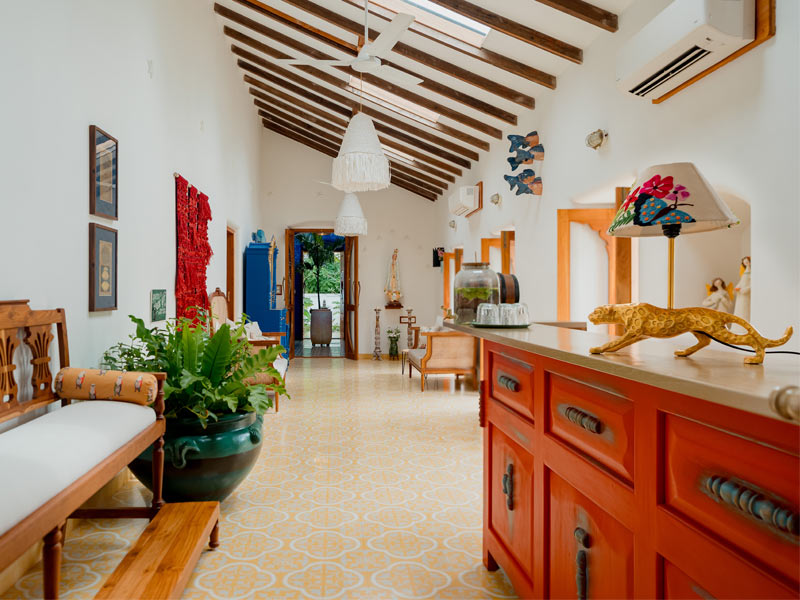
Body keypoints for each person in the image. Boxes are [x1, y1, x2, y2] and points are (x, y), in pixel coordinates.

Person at [733, 256, 751, 321]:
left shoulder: (751, 273)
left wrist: (746, 289)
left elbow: (752, 284)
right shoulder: (744, 272)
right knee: (739, 309)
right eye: (744, 262)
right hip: (741, 293)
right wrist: (737, 287)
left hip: (746, 294)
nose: (746, 263)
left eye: (747, 261)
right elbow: (741, 281)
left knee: (745, 309)